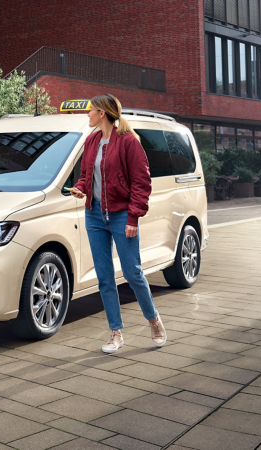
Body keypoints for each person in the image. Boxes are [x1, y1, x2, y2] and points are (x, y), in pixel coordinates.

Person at [71, 94, 167, 353]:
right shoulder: (91, 140)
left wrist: (134, 216)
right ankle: (115, 332)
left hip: (122, 215)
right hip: (94, 216)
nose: (87, 114)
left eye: (91, 110)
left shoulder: (128, 142)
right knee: (104, 277)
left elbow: (141, 182)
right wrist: (81, 189)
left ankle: (154, 320)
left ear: (102, 113)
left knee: (132, 273)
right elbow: (84, 175)